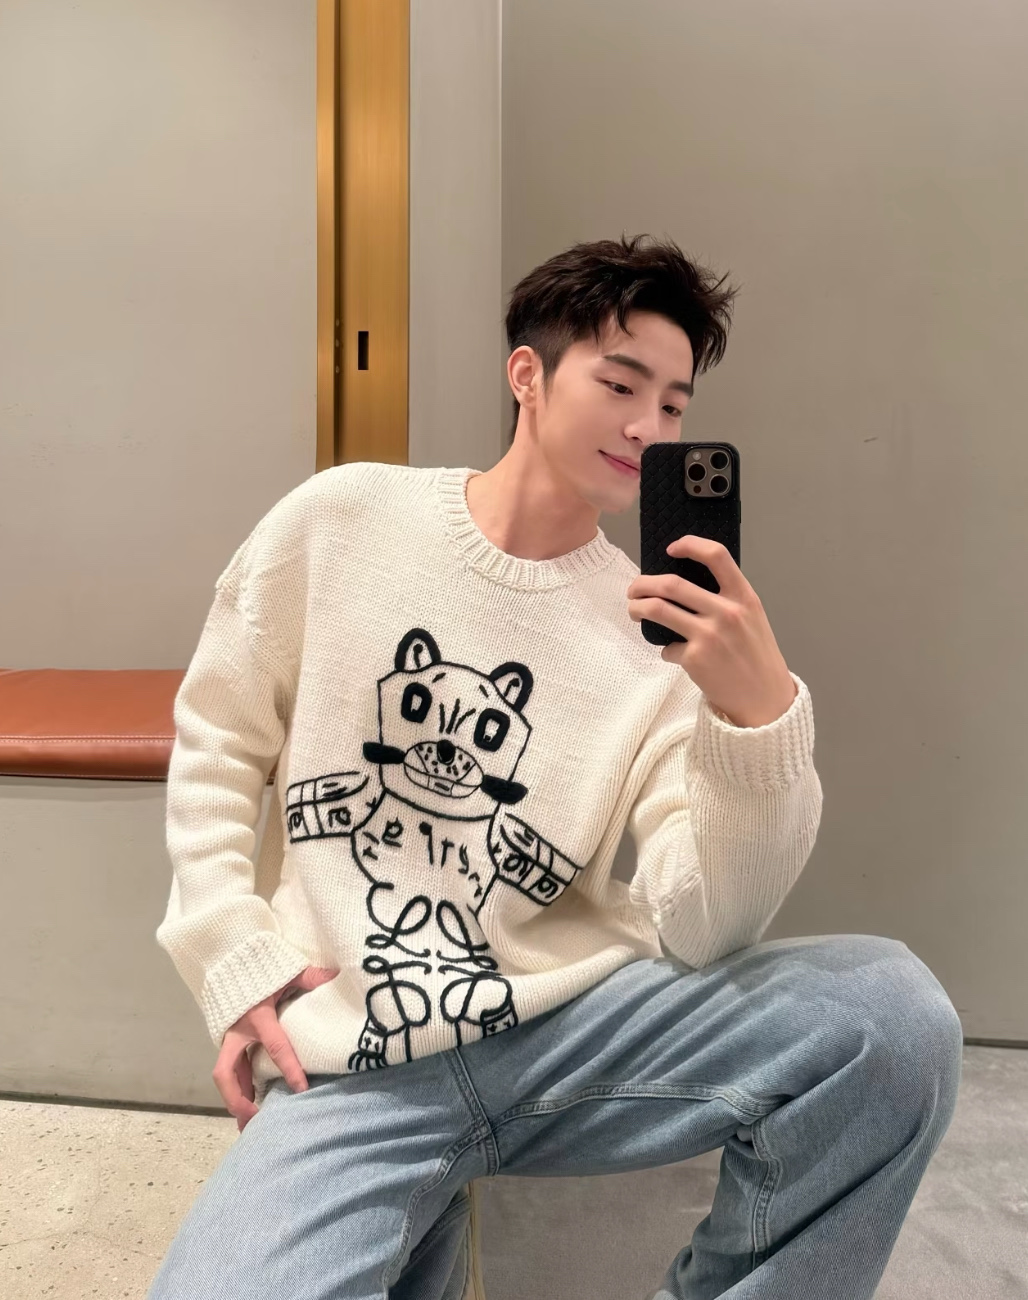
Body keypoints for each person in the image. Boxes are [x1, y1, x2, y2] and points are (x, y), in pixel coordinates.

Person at [148, 234, 962, 1300]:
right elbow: (218, 737)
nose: (647, 426)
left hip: (563, 1034)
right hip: (355, 1058)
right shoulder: (342, 521)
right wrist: (231, 953)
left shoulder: (653, 635)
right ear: (526, 374)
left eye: (672, 404)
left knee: (891, 1017)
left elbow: (704, 926)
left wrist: (757, 720)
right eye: (620, 384)